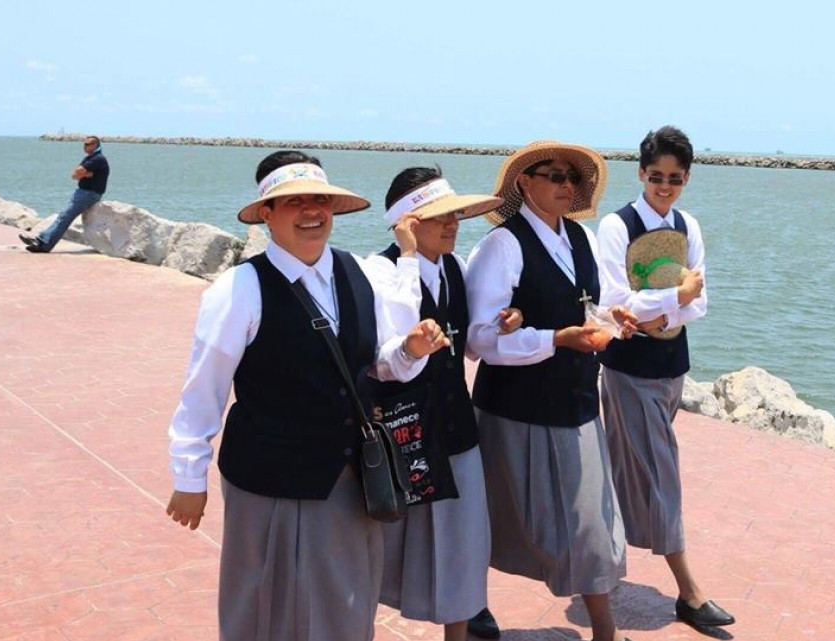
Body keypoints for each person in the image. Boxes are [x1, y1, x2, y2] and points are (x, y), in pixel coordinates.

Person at [164, 150, 449, 641]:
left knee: (347, 598)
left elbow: (377, 361)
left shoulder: (356, 273)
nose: (311, 211)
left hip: (348, 476)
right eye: (293, 201)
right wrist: (189, 475)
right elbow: (204, 387)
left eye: (319, 199)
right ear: (268, 214)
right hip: (271, 478)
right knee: (267, 606)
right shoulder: (240, 288)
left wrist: (410, 349)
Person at [466, 141, 637, 641]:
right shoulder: (502, 246)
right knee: (497, 517)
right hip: (517, 410)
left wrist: (612, 318)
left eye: (572, 178)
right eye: (555, 175)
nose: (566, 185)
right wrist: (553, 339)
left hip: (577, 403)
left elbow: (587, 308)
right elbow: (480, 339)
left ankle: (604, 630)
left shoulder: (579, 239)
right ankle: (472, 606)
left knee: (591, 524)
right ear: (525, 183)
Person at [367, 167, 517, 641]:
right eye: (438, 217)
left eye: (454, 215)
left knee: (465, 548)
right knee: (381, 551)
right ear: (407, 223)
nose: (452, 225)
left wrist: (502, 325)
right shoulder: (379, 270)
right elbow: (388, 355)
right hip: (404, 436)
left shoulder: (454, 268)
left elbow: (468, 346)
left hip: (455, 429)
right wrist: (409, 255)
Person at [596, 126, 734, 629]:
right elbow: (616, 303)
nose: (665, 186)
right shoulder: (616, 227)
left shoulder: (688, 226)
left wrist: (660, 313)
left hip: (673, 366)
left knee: (621, 468)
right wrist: (671, 300)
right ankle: (689, 592)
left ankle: (599, 569)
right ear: (641, 173)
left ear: (687, 178)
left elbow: (702, 300)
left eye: (675, 178)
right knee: (662, 473)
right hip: (628, 369)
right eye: (656, 176)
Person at [19, 135, 109, 252]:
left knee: (65, 217)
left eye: (87, 144)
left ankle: (44, 244)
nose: (84, 146)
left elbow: (77, 172)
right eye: (84, 144)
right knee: (63, 217)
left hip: (88, 194)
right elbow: (74, 175)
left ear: (95, 145)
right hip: (84, 193)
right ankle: (42, 241)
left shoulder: (97, 159)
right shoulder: (90, 158)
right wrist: (85, 174)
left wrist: (83, 174)